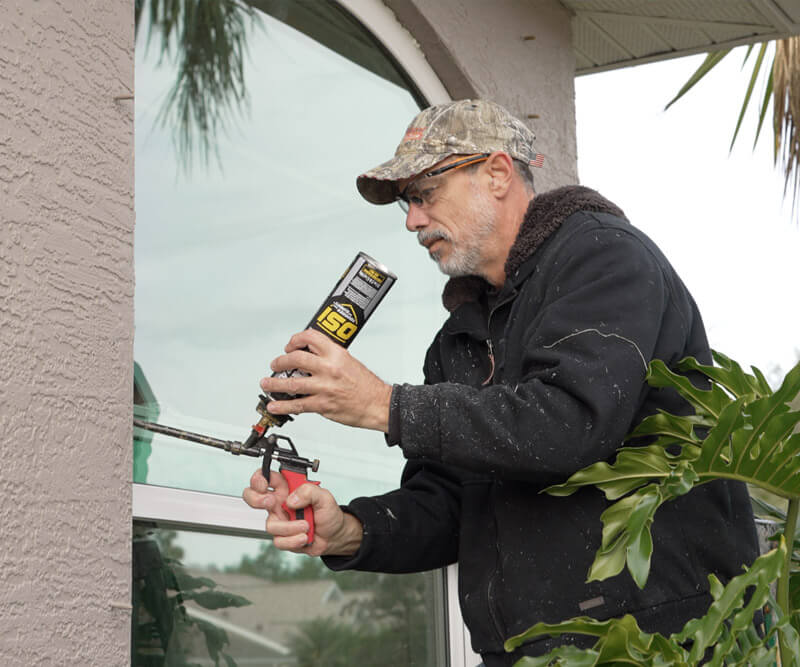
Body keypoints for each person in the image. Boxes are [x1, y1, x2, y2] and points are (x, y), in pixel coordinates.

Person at [242, 99, 759, 664]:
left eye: (424, 194)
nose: (412, 220)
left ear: (496, 174)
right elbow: (447, 505)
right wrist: (350, 529)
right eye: (406, 204)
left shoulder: (605, 258)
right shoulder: (458, 339)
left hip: (662, 646)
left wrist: (384, 406)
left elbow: (571, 423)